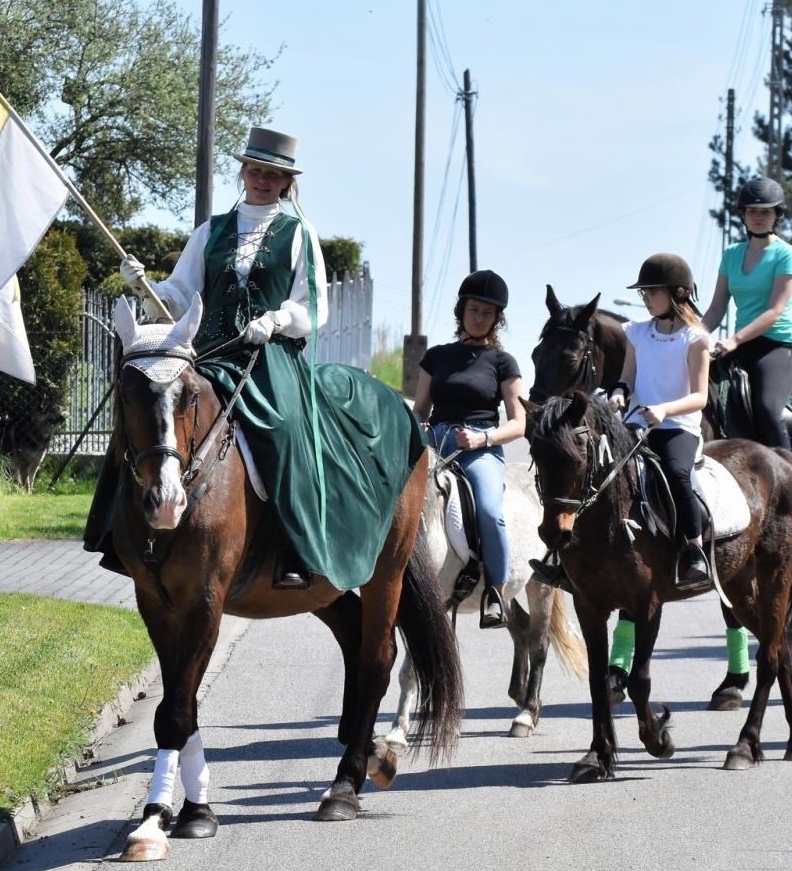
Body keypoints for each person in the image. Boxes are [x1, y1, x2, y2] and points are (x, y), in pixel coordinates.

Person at [84, 126, 424, 592]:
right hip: (209, 355)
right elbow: (181, 295)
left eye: (274, 173)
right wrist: (147, 287)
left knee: (284, 429)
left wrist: (276, 320)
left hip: (271, 360)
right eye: (256, 169)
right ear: (243, 172)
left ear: (287, 182)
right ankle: (122, 536)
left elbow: (313, 306)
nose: (263, 179)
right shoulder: (212, 231)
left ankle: (294, 550)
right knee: (149, 410)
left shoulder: (299, 233)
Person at [599, 254, 713, 698]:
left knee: (678, 476)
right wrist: (616, 395)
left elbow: (700, 397)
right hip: (634, 424)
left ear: (678, 293)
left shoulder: (696, 339)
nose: (646, 299)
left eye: (652, 292)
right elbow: (627, 378)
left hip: (676, 428)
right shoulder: (636, 333)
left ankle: (693, 550)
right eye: (643, 293)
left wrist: (664, 409)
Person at [413, 270, 527, 628]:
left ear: (497, 319)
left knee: (491, 512)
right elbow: (420, 410)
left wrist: (484, 439)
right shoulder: (436, 357)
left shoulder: (503, 362)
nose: (479, 318)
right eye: (474, 310)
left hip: (479, 448)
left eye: (488, 313)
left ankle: (494, 592)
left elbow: (518, 422)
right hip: (435, 444)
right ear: (461, 311)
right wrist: (420, 430)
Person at [700, 176, 792, 450]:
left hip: (778, 347)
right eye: (752, 211)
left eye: (765, 211)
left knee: (767, 406)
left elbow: (774, 311)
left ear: (776, 215)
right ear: (743, 215)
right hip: (740, 347)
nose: (758, 217)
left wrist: (734, 340)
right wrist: (691, 337)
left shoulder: (787, 254)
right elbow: (715, 309)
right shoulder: (732, 254)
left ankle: (791, 471)